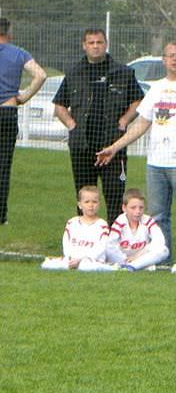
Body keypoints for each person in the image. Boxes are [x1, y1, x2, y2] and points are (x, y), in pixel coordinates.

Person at [95, 42, 176, 259]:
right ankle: (162, 257)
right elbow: (142, 123)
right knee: (158, 216)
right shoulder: (157, 88)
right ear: (164, 60)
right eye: (170, 56)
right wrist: (114, 147)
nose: (175, 59)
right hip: (156, 163)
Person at [53, 27, 144, 224]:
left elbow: (138, 101)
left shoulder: (123, 73)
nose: (95, 46)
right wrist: (71, 125)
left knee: (115, 197)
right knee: (86, 198)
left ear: (106, 44)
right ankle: (85, 238)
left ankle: (114, 240)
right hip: (82, 146)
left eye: (99, 42)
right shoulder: (74, 73)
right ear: (84, 45)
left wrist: (124, 120)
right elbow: (59, 105)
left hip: (113, 145)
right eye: (91, 43)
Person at [0, 17, 47, 225]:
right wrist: (23, 97)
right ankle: (1, 216)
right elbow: (41, 75)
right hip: (8, 111)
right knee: (3, 166)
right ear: (9, 33)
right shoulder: (19, 53)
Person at [40, 186, 116, 272]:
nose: (90, 205)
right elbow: (66, 243)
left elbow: (101, 248)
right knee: (47, 264)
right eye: (87, 202)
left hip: (91, 260)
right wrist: (71, 258)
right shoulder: (72, 222)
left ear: (99, 204)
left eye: (94, 202)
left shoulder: (102, 225)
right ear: (80, 205)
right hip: (72, 259)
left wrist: (81, 259)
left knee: (86, 266)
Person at [105, 188, 169, 271]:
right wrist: (124, 259)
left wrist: (138, 256)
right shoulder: (120, 222)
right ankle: (136, 266)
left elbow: (160, 240)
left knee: (164, 250)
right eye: (133, 208)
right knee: (107, 249)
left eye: (141, 207)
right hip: (123, 258)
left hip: (141, 256)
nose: (138, 211)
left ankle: (133, 266)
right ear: (124, 208)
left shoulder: (147, 220)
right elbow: (111, 245)